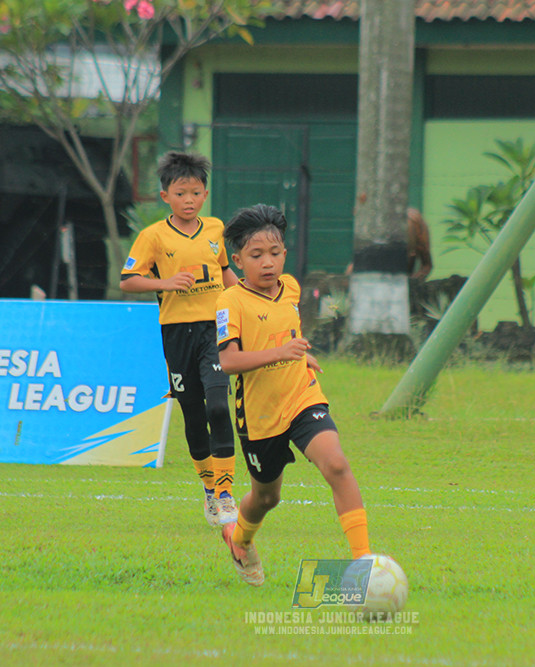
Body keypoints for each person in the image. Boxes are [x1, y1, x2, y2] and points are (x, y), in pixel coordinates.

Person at [215, 203, 371, 587]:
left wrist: (301, 356)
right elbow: (229, 361)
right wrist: (281, 353)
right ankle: (240, 539)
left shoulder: (291, 288)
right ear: (237, 261)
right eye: (256, 256)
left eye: (274, 253)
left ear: (284, 253)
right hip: (259, 415)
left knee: (336, 464)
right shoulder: (229, 302)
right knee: (266, 498)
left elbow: (286, 336)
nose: (267, 263)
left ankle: (364, 564)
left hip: (301, 397)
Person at [120, 151, 240, 527]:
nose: (189, 199)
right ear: (165, 196)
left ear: (205, 195)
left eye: (196, 192)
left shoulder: (216, 230)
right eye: (181, 192)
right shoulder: (153, 236)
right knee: (192, 412)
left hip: (214, 330)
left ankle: (225, 492)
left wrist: (246, 304)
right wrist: (165, 282)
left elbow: (226, 275)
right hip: (176, 334)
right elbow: (127, 281)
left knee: (219, 406)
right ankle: (208, 489)